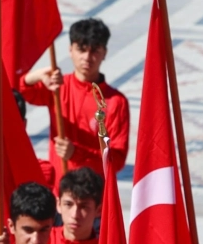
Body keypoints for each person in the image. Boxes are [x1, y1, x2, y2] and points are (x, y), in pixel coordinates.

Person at [21, 18, 130, 178]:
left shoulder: (115, 102)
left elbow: (117, 160)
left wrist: (76, 153)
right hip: (60, 191)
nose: (87, 57)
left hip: (95, 196)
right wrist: (38, 75)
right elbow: (18, 92)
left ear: (104, 53)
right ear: (70, 50)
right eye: (81, 49)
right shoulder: (57, 87)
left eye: (94, 51)